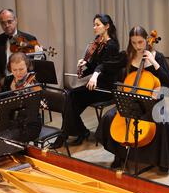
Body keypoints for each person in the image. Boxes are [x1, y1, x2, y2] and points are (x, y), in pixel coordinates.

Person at [95, 26, 169, 172]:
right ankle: (119, 154)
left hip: (153, 102)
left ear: (147, 40)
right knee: (109, 117)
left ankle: (163, 160)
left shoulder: (157, 57)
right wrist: (96, 73)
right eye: (133, 43)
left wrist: (154, 63)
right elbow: (106, 66)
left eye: (140, 42)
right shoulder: (127, 56)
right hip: (131, 101)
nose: (137, 46)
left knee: (160, 122)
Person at [50, 14, 125, 148]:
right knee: (70, 102)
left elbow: (105, 66)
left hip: (105, 88)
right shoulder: (98, 42)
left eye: (97, 24)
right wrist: (83, 66)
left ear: (107, 26)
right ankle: (76, 132)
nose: (94, 27)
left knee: (70, 98)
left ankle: (71, 133)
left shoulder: (112, 45)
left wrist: (94, 73)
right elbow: (93, 66)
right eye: (94, 24)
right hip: (94, 86)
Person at [0, 52, 41, 141]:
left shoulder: (33, 84)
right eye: (14, 70)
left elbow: (31, 112)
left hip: (27, 125)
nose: (18, 73)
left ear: (27, 66)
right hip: (6, 122)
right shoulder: (6, 81)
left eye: (21, 69)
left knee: (3, 139)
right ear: (10, 69)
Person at [0, 9, 42, 85]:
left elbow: (34, 66)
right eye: (3, 23)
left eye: (9, 21)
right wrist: (2, 84)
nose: (7, 25)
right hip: (4, 84)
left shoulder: (29, 39)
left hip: (25, 84)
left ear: (16, 20)